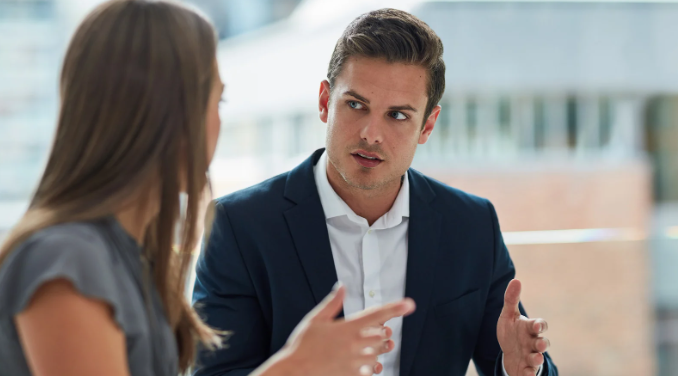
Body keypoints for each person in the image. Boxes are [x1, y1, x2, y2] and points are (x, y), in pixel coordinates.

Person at [0, 1, 416, 376]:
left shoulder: (127, 257)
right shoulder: (67, 261)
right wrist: (294, 369)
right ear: (163, 113)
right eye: (216, 103)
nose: (218, 125)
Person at [193, 8, 558, 376]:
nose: (371, 133)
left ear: (427, 125)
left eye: (397, 115)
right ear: (324, 102)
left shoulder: (472, 226)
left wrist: (519, 368)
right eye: (355, 105)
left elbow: (517, 356)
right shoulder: (238, 227)